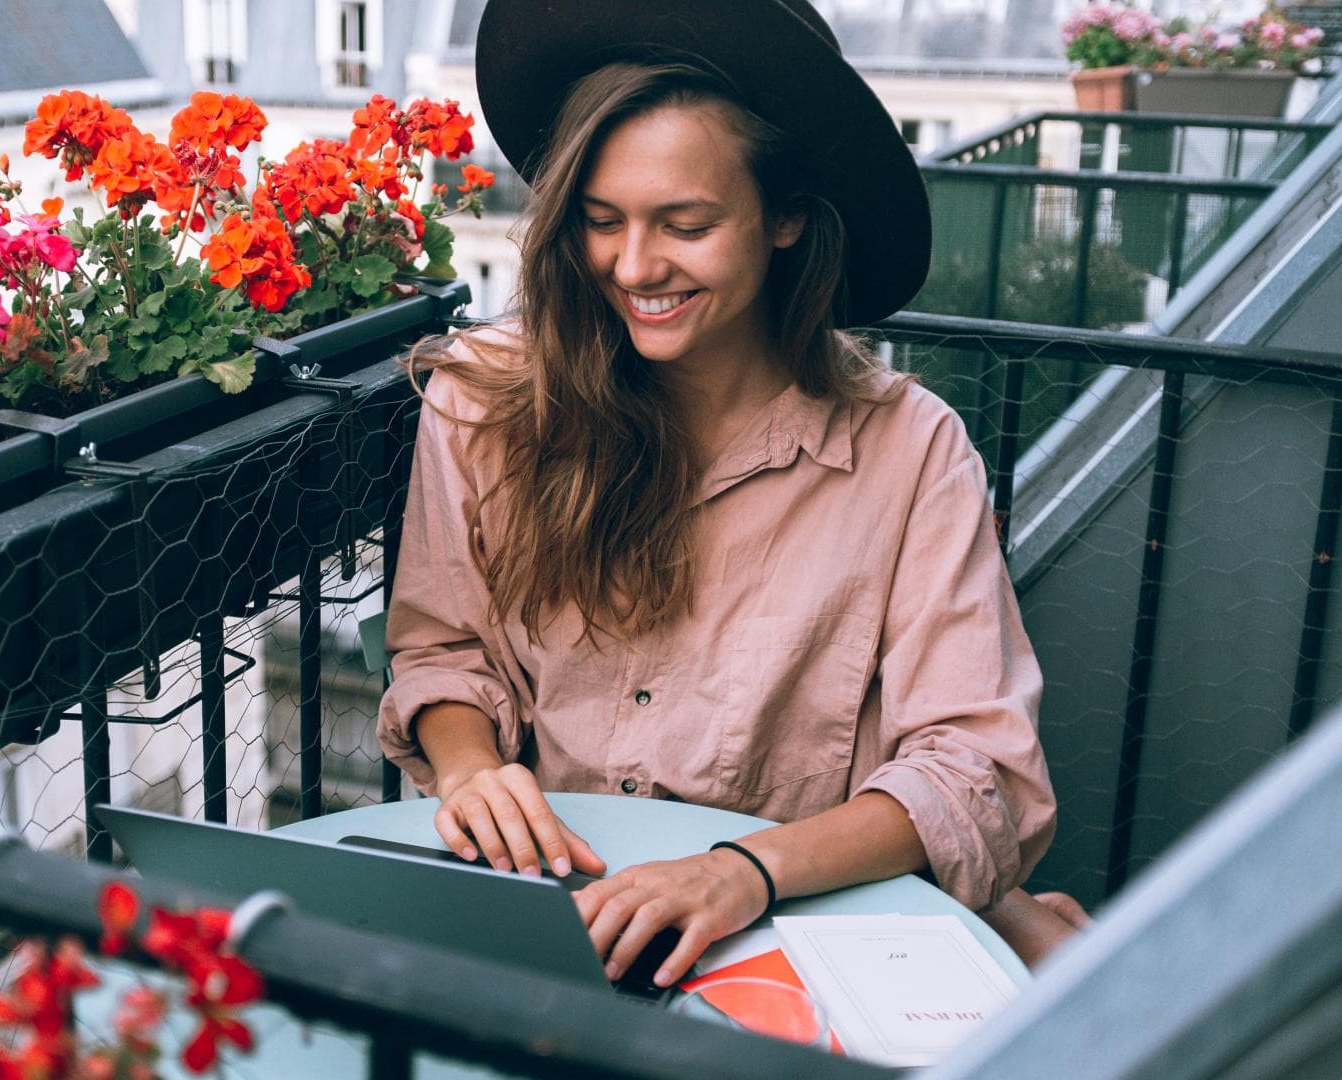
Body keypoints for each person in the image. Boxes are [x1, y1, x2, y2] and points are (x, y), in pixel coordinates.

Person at [376, 0, 1069, 988]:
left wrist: (742, 873)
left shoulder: (910, 450)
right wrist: (470, 766)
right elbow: (443, 647)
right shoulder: (484, 402)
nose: (634, 266)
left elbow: (977, 771)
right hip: (553, 915)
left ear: (786, 216)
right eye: (600, 221)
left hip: (798, 933)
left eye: (687, 225)